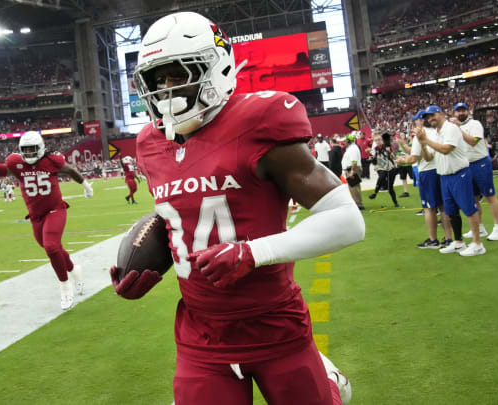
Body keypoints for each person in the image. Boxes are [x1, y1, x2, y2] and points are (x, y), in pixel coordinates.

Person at [112, 12, 362, 405]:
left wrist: (253, 251)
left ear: (217, 67)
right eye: (157, 80)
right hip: (201, 331)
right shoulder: (149, 143)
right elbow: (182, 215)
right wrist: (146, 260)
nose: (166, 90)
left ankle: (327, 377)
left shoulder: (260, 119)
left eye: (178, 74)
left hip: (275, 324)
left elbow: (348, 221)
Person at [0, 129, 93, 310]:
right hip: (36, 216)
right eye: (25, 150)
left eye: (32, 149)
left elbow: (71, 170)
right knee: (54, 248)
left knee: (51, 246)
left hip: (55, 210)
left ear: (40, 148)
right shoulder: (17, 164)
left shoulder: (51, 161)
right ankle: (73, 270)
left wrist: (86, 186)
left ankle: (65, 287)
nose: (29, 154)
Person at [417, 105, 485, 256]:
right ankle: (459, 242)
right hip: (445, 175)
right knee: (451, 211)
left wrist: (426, 140)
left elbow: (446, 149)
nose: (430, 119)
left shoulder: (451, 129)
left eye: (433, 115)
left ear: (441, 114)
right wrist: (423, 145)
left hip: (459, 173)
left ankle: (477, 243)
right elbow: (429, 157)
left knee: (468, 208)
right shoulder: (437, 133)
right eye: (428, 117)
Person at [451, 103, 498, 241]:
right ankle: (480, 228)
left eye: (463, 110)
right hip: (467, 165)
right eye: (458, 111)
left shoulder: (475, 124)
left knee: (489, 195)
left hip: (480, 163)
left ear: (468, 112)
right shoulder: (455, 128)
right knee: (474, 199)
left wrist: (458, 128)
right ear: (454, 114)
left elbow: (473, 142)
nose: (460, 113)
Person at [398, 110, 452, 249]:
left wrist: (402, 161)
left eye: (416, 120)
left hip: (427, 173)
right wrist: (405, 146)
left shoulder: (420, 136)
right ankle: (448, 238)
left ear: (421, 121)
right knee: (443, 207)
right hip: (440, 170)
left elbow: (414, 158)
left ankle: (433, 239)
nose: (415, 122)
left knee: (429, 208)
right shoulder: (436, 132)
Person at [368, 133, 400, 207]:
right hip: (381, 167)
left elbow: (393, 157)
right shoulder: (375, 149)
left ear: (382, 140)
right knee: (381, 176)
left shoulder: (387, 146)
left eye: (379, 140)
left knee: (390, 187)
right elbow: (373, 162)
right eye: (376, 140)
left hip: (390, 167)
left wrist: (389, 152)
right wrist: (371, 157)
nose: (378, 141)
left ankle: (395, 202)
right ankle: (375, 193)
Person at [342, 134, 364, 210]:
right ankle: (358, 203)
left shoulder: (353, 149)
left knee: (354, 187)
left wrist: (352, 171)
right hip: (352, 168)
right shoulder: (352, 148)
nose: (344, 142)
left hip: (352, 169)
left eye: (345, 140)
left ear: (348, 141)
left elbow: (354, 161)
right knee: (354, 187)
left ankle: (358, 204)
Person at [395, 133, 413, 198]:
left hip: (409, 163)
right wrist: (399, 158)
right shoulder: (399, 144)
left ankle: (421, 188)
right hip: (402, 164)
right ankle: (406, 192)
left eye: (402, 135)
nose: (401, 136)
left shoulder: (409, 142)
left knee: (413, 177)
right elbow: (397, 153)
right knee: (403, 178)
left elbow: (412, 152)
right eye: (401, 135)